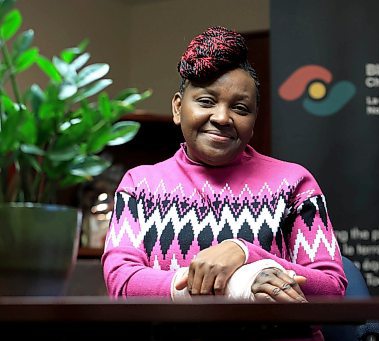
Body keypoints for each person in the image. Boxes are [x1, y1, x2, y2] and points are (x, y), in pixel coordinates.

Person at [102, 26, 347, 339]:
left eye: (240, 108)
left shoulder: (295, 182)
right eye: (206, 101)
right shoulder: (140, 185)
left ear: (254, 120)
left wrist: (246, 253)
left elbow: (332, 291)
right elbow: (121, 284)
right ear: (178, 108)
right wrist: (242, 284)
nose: (221, 117)